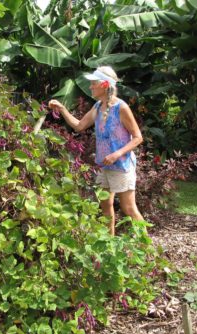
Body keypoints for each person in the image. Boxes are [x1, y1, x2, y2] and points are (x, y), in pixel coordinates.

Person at [49, 66, 144, 235]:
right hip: (104, 166)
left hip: (121, 166)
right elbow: (79, 126)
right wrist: (62, 109)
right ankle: (109, 245)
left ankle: (147, 249)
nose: (90, 87)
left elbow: (138, 137)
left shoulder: (121, 108)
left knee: (128, 208)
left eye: (93, 83)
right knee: (105, 206)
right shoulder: (98, 106)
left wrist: (116, 154)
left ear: (105, 85)